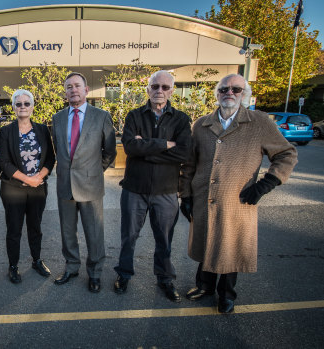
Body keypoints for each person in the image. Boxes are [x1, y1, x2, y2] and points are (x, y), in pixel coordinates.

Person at [179, 74, 298, 313]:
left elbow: (286, 154)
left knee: (229, 247)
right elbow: (189, 163)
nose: (229, 93)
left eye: (235, 89)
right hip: (203, 197)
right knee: (206, 243)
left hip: (237, 199)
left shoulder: (259, 122)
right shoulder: (201, 124)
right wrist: (186, 195)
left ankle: (227, 295)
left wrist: (267, 183)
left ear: (244, 94)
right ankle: (205, 286)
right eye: (224, 89)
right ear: (217, 94)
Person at [113, 70, 191, 302]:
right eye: (155, 86)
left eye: (165, 87)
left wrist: (146, 149)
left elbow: (184, 152)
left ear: (172, 90)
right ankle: (124, 274)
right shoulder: (135, 115)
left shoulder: (181, 119)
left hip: (166, 191)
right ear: (148, 89)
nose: (159, 91)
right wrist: (166, 145)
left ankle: (165, 279)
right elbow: (130, 148)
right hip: (134, 190)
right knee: (129, 236)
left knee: (164, 239)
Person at [52, 72, 117, 293]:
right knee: (67, 232)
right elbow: (58, 149)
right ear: (65, 91)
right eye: (69, 87)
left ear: (86, 89)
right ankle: (71, 267)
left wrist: (95, 172)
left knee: (94, 233)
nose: (73, 90)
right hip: (65, 186)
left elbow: (109, 150)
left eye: (77, 86)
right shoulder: (58, 118)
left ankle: (95, 273)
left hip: (91, 185)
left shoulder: (101, 116)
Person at [0, 89, 56, 283]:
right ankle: (13, 266)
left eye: (26, 103)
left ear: (32, 106)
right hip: (13, 188)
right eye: (18, 103)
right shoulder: (5, 131)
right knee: (14, 229)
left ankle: (36, 260)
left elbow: (50, 158)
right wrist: (28, 179)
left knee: (35, 227)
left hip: (38, 188)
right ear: (13, 107)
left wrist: (39, 177)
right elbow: (4, 162)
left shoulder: (42, 129)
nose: (23, 107)